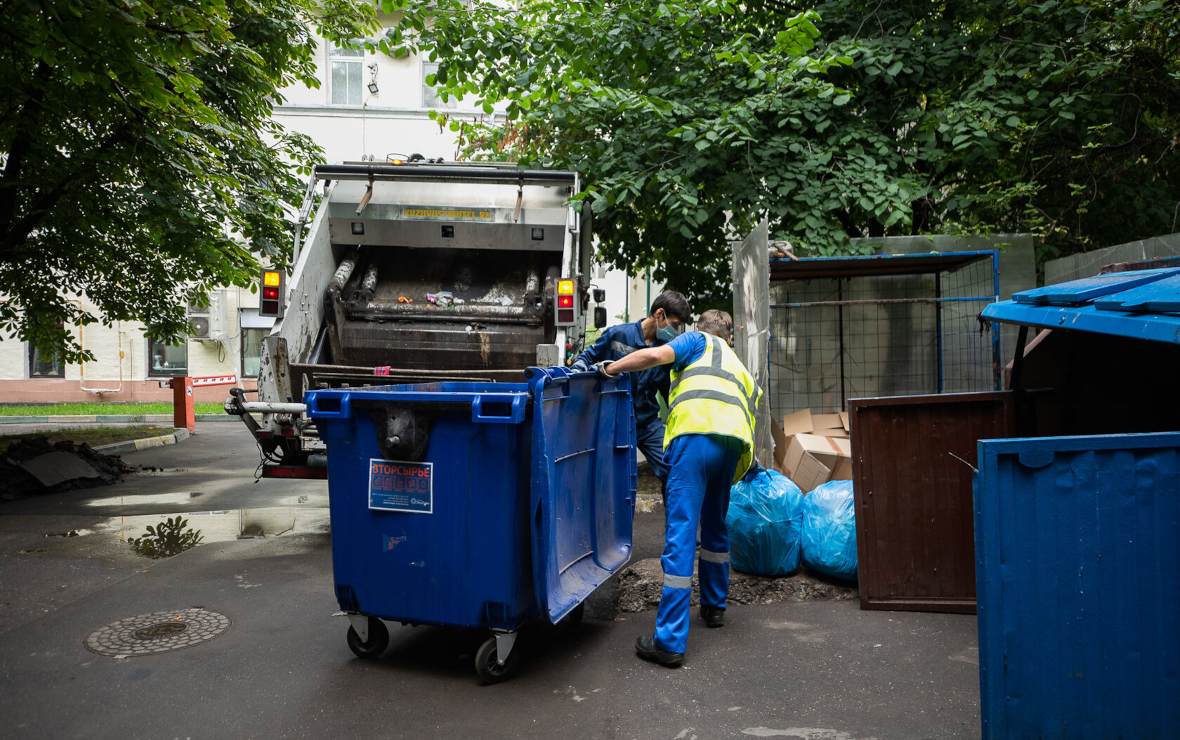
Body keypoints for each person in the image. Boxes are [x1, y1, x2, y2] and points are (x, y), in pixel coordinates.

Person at [600, 308, 760, 667]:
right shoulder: (737, 363)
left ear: (701, 328)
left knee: (682, 532)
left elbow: (655, 355)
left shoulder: (695, 341)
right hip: (731, 447)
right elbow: (747, 410)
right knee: (715, 528)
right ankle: (715, 608)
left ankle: (669, 641)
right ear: (730, 337)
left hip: (694, 440)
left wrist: (610, 368)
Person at [573, 290, 691, 486]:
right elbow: (587, 357)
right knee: (615, 480)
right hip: (614, 422)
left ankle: (675, 516)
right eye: (676, 324)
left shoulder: (665, 350)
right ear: (660, 314)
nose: (676, 331)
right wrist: (577, 370)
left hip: (648, 424)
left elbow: (668, 392)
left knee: (674, 470)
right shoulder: (618, 334)